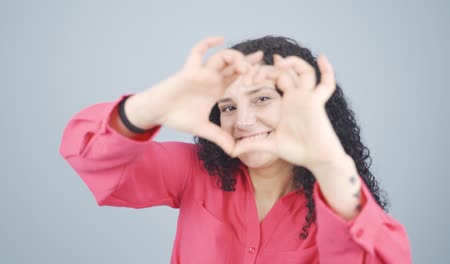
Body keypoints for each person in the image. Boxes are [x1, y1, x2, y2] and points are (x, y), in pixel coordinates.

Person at [59, 36, 412, 263]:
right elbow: (90, 154)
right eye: (228, 107)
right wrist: (154, 105)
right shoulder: (195, 170)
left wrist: (329, 161)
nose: (242, 121)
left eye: (262, 99)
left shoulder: (336, 201)